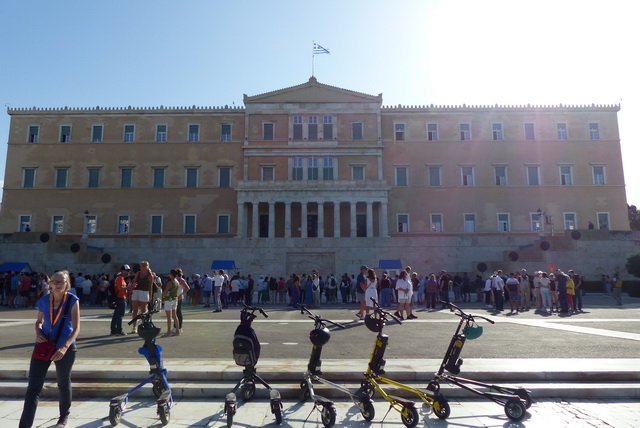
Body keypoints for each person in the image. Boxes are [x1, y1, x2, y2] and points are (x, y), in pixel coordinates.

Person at [19, 270, 80, 428]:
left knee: (63, 383)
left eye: (62, 282)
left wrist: (65, 347)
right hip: (44, 345)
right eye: (55, 281)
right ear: (50, 283)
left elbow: (76, 328)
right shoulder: (44, 300)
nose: (59, 285)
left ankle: (63, 417)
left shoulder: (72, 300)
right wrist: (38, 332)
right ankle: (24, 425)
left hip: (64, 347)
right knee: (33, 387)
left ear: (67, 284)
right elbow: (39, 322)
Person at [130, 261, 156, 334]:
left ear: (147, 267)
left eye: (144, 266)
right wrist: (133, 286)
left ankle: (145, 326)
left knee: (143, 311)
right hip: (136, 291)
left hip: (144, 292)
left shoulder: (150, 276)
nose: (143, 268)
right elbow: (134, 282)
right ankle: (134, 327)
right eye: (141, 266)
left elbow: (150, 287)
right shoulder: (138, 273)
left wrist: (150, 297)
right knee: (135, 310)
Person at [110, 265, 130, 336]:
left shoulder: (120, 278)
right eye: (126, 271)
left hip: (119, 297)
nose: (128, 272)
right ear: (122, 271)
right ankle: (119, 330)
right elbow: (120, 288)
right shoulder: (120, 278)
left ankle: (113, 330)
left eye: (128, 271)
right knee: (120, 315)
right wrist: (129, 287)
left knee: (116, 314)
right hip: (121, 298)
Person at [161, 269, 181, 337]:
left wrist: (162, 297)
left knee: (169, 317)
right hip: (175, 299)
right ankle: (177, 331)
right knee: (174, 316)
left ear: (172, 275)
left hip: (168, 300)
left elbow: (165, 291)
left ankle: (168, 332)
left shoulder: (170, 282)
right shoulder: (177, 282)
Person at [175, 268, 190, 333]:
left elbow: (187, 288)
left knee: (178, 312)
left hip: (179, 297)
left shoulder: (181, 280)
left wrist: (181, 294)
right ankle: (176, 326)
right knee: (175, 313)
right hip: (174, 297)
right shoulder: (176, 279)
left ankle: (179, 327)